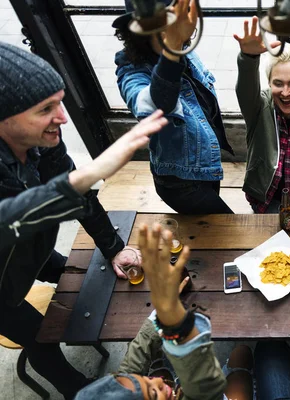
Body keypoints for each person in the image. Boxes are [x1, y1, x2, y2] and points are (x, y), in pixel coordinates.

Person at [0, 41, 167, 398]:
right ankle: (79, 389)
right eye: (46, 108)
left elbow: (82, 197)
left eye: (60, 101)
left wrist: (113, 248)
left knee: (80, 276)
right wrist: (84, 178)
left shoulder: (45, 139)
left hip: (29, 252)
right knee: (39, 338)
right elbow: (11, 220)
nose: (62, 117)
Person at [76, 224, 253, 400]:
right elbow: (204, 386)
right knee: (254, 353)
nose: (158, 382)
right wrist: (178, 328)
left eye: (146, 378)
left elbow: (133, 359)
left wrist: (160, 313)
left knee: (155, 360)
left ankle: (163, 370)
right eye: (153, 393)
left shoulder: (123, 385)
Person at [114, 0, 234, 215]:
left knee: (209, 231)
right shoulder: (131, 74)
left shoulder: (183, 51)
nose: (185, 25)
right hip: (181, 185)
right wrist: (175, 45)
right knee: (226, 232)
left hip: (205, 170)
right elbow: (159, 103)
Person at [234, 17, 290, 230]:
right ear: (268, 83)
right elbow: (245, 90)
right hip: (262, 201)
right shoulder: (258, 108)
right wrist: (248, 57)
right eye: (278, 84)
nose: (285, 93)